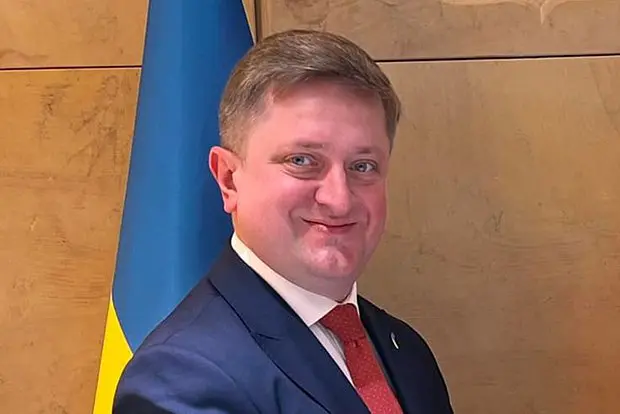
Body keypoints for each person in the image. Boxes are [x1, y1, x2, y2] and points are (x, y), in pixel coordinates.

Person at [113, 29, 454, 413]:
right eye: (302, 161)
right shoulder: (179, 380)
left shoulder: (406, 352)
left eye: (363, 166)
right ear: (228, 180)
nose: (339, 199)